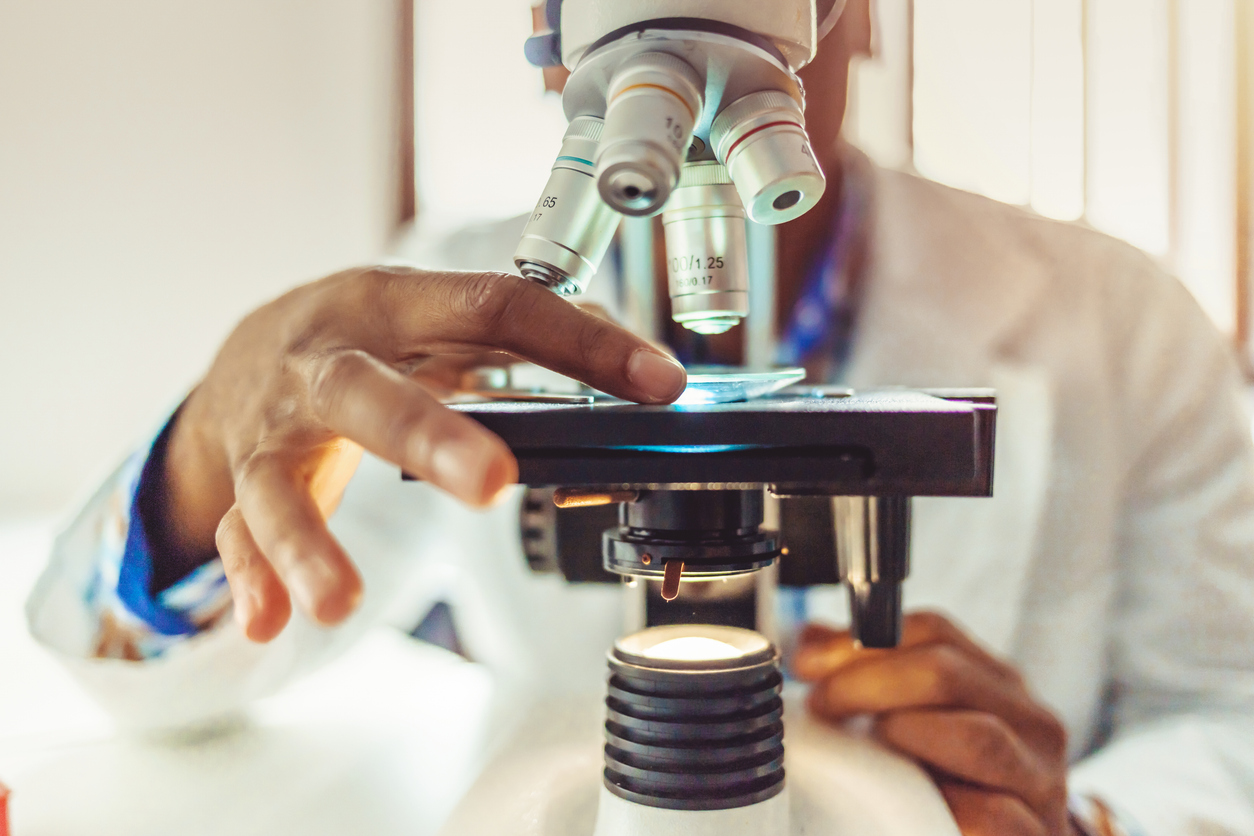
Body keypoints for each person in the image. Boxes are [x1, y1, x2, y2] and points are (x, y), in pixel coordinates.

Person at [26, 2, 1254, 834]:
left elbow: (1229, 711)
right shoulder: (437, 306)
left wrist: (1089, 821)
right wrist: (205, 455)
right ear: (555, 39)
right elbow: (148, 689)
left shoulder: (1122, 320)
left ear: (857, 12)